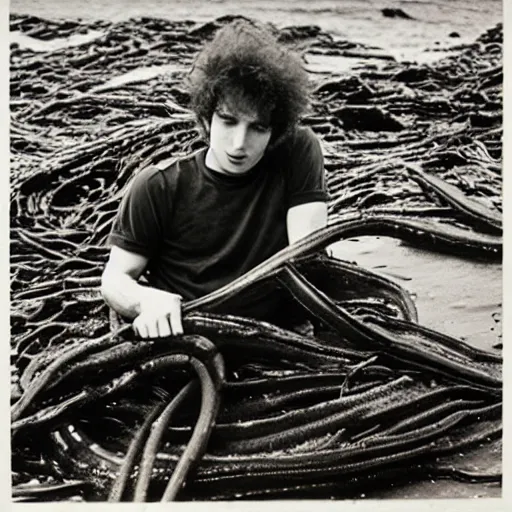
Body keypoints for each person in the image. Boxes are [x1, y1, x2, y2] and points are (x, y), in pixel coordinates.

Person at [101, 19, 328, 339]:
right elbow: (115, 279)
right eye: (228, 121)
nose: (239, 143)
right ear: (206, 118)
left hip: (273, 336)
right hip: (188, 335)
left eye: (258, 127)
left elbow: (306, 251)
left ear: (276, 130)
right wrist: (144, 300)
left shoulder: (297, 152)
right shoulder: (158, 186)